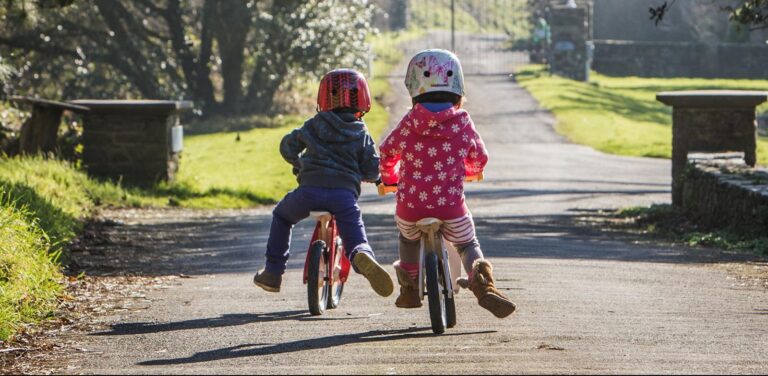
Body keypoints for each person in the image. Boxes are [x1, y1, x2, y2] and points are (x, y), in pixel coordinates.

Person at [379, 49, 516, 318]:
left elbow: (387, 151)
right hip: (451, 208)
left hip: (410, 207)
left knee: (408, 237)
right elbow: (480, 155)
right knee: (467, 244)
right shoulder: (461, 121)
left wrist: (389, 178)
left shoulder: (409, 122)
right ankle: (482, 282)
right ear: (458, 88)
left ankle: (409, 288)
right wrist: (472, 170)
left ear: (414, 88)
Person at [253, 69, 393, 298]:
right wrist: (374, 177)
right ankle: (361, 254)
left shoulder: (315, 124)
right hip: (343, 196)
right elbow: (370, 167)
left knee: (282, 215)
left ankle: (273, 272)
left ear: (324, 98)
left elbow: (287, 146)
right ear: (364, 99)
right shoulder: (361, 131)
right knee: (355, 234)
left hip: (309, 190)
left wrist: (298, 163)